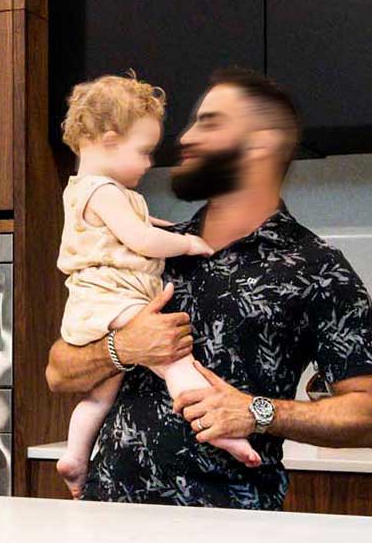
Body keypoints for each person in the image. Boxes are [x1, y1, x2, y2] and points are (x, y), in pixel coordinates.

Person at [44, 67, 372, 509]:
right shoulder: (150, 248)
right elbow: (59, 371)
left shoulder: (319, 269)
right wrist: (124, 348)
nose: (186, 137)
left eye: (209, 123)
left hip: (228, 536)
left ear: (261, 142)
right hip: (105, 520)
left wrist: (257, 412)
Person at [52, 73, 258, 498]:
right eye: (144, 151)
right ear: (109, 140)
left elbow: (136, 227)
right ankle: (217, 429)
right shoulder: (104, 192)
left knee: (99, 397)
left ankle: (75, 457)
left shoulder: (86, 192)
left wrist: (155, 224)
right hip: (114, 300)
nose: (149, 164)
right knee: (174, 359)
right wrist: (185, 241)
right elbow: (141, 239)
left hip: (93, 305)